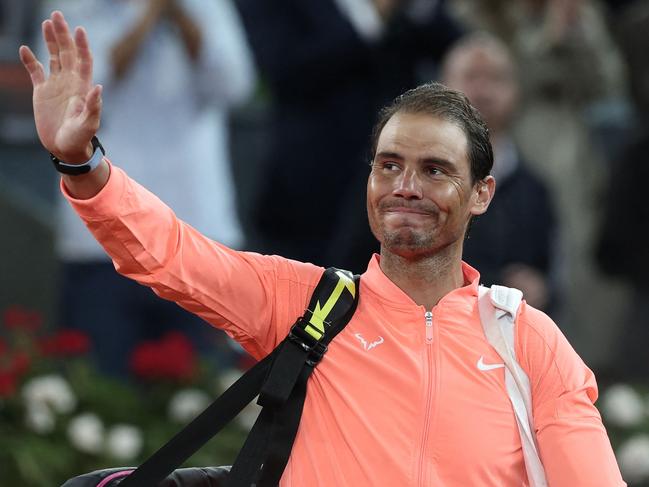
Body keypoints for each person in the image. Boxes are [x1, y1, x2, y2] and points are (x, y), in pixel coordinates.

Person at [19, 11, 625, 485]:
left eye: (435, 169)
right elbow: (169, 252)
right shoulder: (308, 305)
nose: (405, 187)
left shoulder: (529, 340)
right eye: (389, 165)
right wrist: (81, 163)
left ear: (481, 194)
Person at [35, 0, 256, 376]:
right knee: (100, 401)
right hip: (102, 243)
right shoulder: (71, 6)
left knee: (203, 396)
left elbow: (236, 86)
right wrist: (149, 14)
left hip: (197, 229)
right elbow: (76, 100)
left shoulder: (203, 5)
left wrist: (180, 14)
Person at [235, 0, 463, 273]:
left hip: (395, 194)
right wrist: (372, 15)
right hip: (307, 196)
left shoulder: (411, 13)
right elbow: (285, 71)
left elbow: (457, 49)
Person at [441, 33, 557, 312]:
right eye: (471, 77)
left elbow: (551, 276)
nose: (483, 90)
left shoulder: (535, 189)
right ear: (443, 86)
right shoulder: (413, 179)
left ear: (516, 92)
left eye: (496, 78)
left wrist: (540, 287)